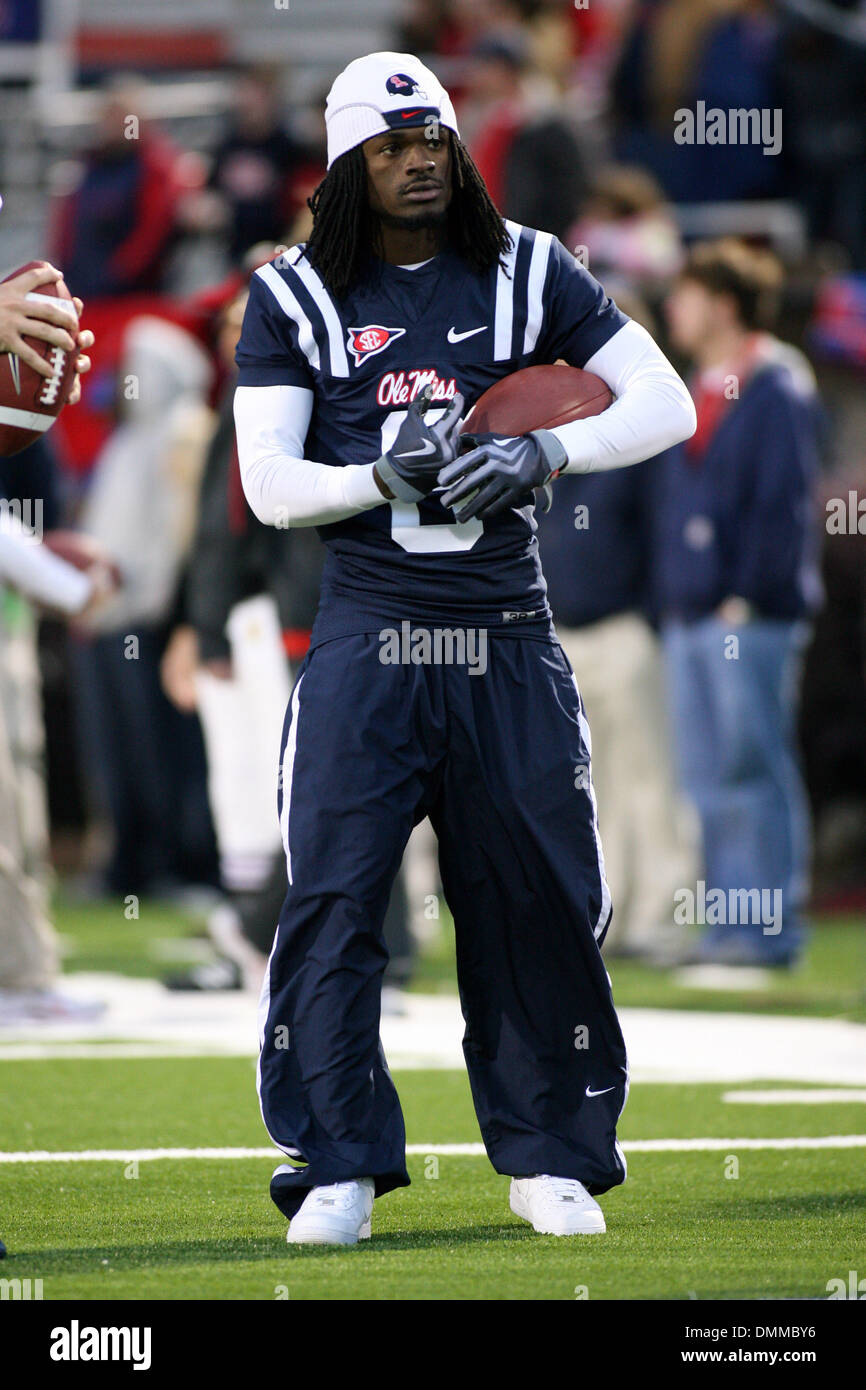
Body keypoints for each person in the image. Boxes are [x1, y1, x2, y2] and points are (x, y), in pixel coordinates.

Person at [233, 50, 695, 1245]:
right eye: (389, 146)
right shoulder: (292, 295)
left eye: (431, 136)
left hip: (502, 631)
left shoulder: (531, 268)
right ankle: (334, 1159)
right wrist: (374, 475)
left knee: (536, 894)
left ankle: (546, 1154)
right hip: (368, 637)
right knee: (333, 898)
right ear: (345, 163)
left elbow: (665, 402)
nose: (419, 160)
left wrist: (549, 452)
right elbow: (270, 485)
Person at [654, 238, 822, 968]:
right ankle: (729, 927)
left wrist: (746, 598)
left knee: (751, 772)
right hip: (692, 611)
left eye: (687, 294)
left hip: (745, 614)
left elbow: (783, 505)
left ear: (723, 303)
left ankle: (768, 930)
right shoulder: (698, 385)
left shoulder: (776, 383)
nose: (673, 308)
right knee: (707, 778)